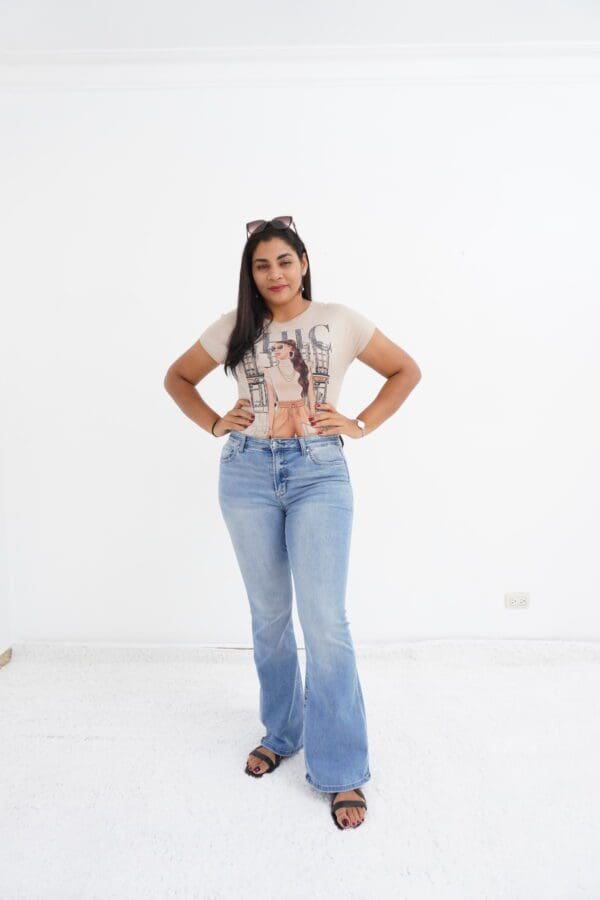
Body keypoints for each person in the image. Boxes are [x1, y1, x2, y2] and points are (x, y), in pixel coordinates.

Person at [164, 215, 422, 830]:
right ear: (250, 275)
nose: (274, 274)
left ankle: (341, 770)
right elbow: (177, 378)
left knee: (326, 622)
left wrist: (359, 424)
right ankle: (281, 731)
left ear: (303, 263)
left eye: (284, 261)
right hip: (247, 472)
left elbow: (405, 370)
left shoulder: (340, 320)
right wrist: (214, 422)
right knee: (269, 616)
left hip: (318, 472)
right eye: (261, 265)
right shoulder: (234, 328)